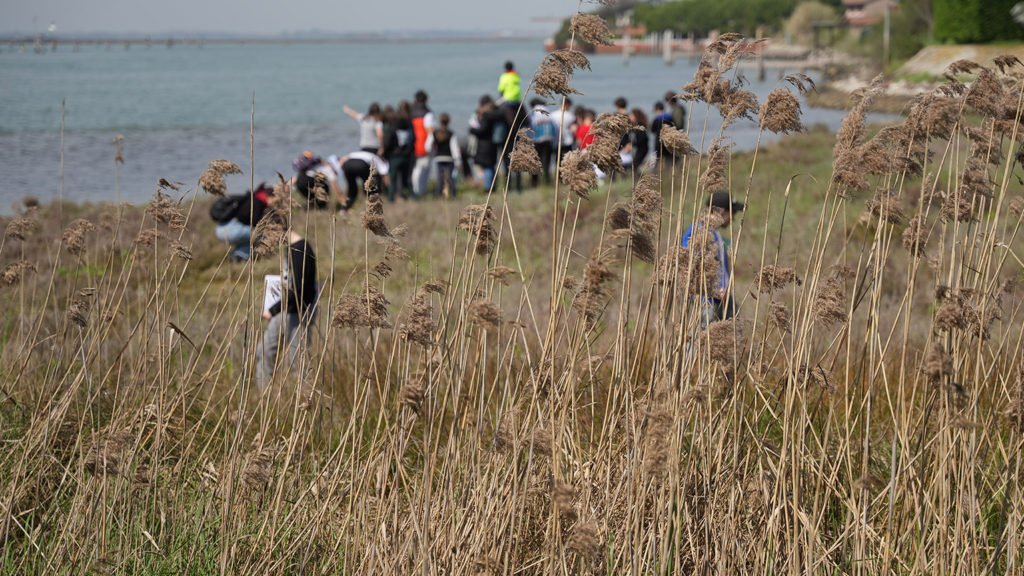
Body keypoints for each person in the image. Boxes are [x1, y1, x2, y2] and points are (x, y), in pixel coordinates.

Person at [257, 224, 317, 389]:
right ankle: (264, 398)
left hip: (297, 312)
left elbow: (298, 289)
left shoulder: (299, 250)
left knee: (297, 360)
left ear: (278, 228)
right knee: (264, 350)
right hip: (287, 310)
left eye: (269, 234)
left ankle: (305, 400)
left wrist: (272, 309)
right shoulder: (293, 248)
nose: (268, 239)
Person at [681, 192, 744, 327]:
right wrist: (713, 290)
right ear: (721, 211)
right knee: (699, 343)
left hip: (721, 300)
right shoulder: (698, 232)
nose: (732, 219)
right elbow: (690, 267)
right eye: (731, 213)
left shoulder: (715, 233)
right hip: (705, 302)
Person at [214, 182, 273, 262]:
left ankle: (237, 255)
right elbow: (255, 223)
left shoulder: (253, 198)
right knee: (262, 235)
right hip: (230, 230)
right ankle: (242, 256)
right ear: (269, 196)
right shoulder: (258, 202)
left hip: (222, 228)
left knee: (252, 235)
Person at [469, 95, 503, 192]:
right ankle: (493, 186)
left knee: (487, 166)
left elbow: (482, 130)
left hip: (485, 145)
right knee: (491, 166)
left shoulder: (487, 116)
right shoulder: (495, 113)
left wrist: (472, 130)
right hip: (493, 144)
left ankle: (488, 188)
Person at [384, 101, 416, 202]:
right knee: (407, 180)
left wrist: (386, 154)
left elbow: (388, 142)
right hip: (407, 156)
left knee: (393, 181)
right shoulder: (410, 124)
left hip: (394, 156)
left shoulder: (393, 126)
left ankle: (391, 200)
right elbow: (414, 139)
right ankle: (413, 199)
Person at [410, 90, 436, 196]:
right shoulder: (428, 113)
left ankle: (415, 190)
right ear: (426, 100)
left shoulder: (411, 112)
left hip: (413, 145)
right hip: (424, 146)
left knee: (415, 169)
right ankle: (421, 192)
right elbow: (430, 131)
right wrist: (430, 145)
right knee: (424, 169)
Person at [432, 113, 461, 197]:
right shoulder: (451, 133)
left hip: (439, 158)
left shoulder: (435, 133)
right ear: (449, 122)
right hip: (449, 158)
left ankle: (439, 195)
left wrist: (432, 153)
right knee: (451, 177)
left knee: (440, 178)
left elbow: (428, 145)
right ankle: (453, 194)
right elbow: (454, 148)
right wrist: (458, 160)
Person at [527, 98, 555, 187]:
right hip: (548, 140)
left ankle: (534, 183)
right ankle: (547, 182)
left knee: (534, 163)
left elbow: (529, 128)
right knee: (546, 162)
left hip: (536, 141)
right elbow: (553, 128)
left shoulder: (533, 113)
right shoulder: (548, 112)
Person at [621, 108, 650, 183]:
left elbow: (641, 139)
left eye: (631, 115)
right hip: (638, 149)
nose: (630, 117)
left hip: (642, 149)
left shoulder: (640, 126)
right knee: (633, 166)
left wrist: (631, 145)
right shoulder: (633, 126)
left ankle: (641, 180)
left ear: (636, 116)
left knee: (634, 166)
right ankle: (639, 180)